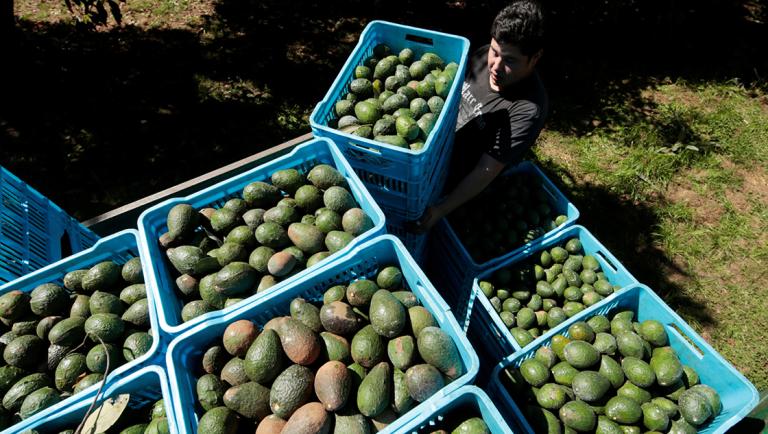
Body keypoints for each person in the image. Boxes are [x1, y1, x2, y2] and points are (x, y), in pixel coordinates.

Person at [409, 0, 548, 232]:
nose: (495, 66)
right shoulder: (484, 54)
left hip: (450, 177)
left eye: (510, 61)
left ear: (535, 58)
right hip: (429, 147)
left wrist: (441, 209)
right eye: (495, 51)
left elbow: (486, 170)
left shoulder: (527, 109)